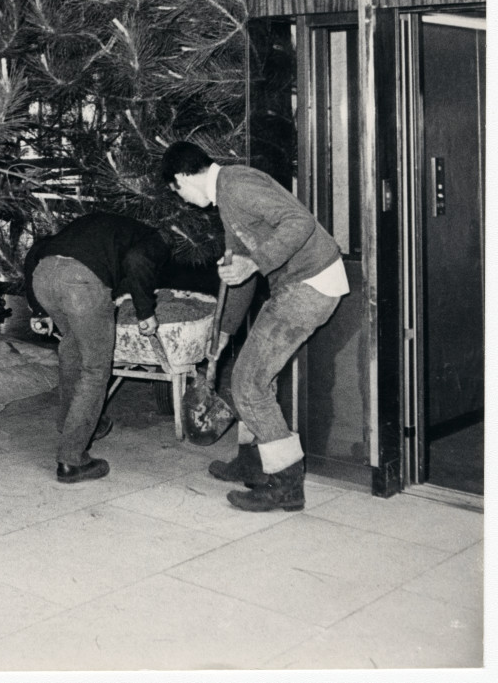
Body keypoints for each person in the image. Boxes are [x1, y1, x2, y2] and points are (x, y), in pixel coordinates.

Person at [157, 140, 349, 512]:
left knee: (248, 382)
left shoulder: (237, 185)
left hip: (310, 284)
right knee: (252, 377)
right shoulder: (227, 196)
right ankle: (253, 462)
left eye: (176, 190)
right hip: (303, 285)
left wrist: (256, 262)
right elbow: (238, 268)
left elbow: (300, 222)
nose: (181, 199)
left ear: (182, 176)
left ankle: (286, 484)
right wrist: (225, 329)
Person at [24, 210, 170, 483]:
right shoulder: (154, 238)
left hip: (44, 275)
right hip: (80, 284)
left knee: (72, 348)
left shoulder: (97, 223)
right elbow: (138, 262)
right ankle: (72, 460)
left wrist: (36, 309)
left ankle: (71, 423)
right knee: (94, 369)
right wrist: (145, 312)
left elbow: (35, 251)